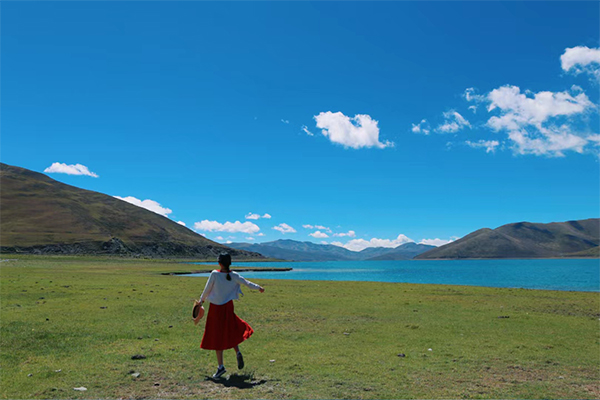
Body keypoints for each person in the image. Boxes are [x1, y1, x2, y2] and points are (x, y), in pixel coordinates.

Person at [198, 253, 265, 379]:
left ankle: (221, 367)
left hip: (216, 308)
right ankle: (237, 352)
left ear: (219, 263)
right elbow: (247, 283)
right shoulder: (234, 275)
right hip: (228, 307)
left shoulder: (214, 274)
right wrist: (259, 288)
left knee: (217, 335)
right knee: (230, 329)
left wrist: (201, 301)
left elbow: (207, 289)